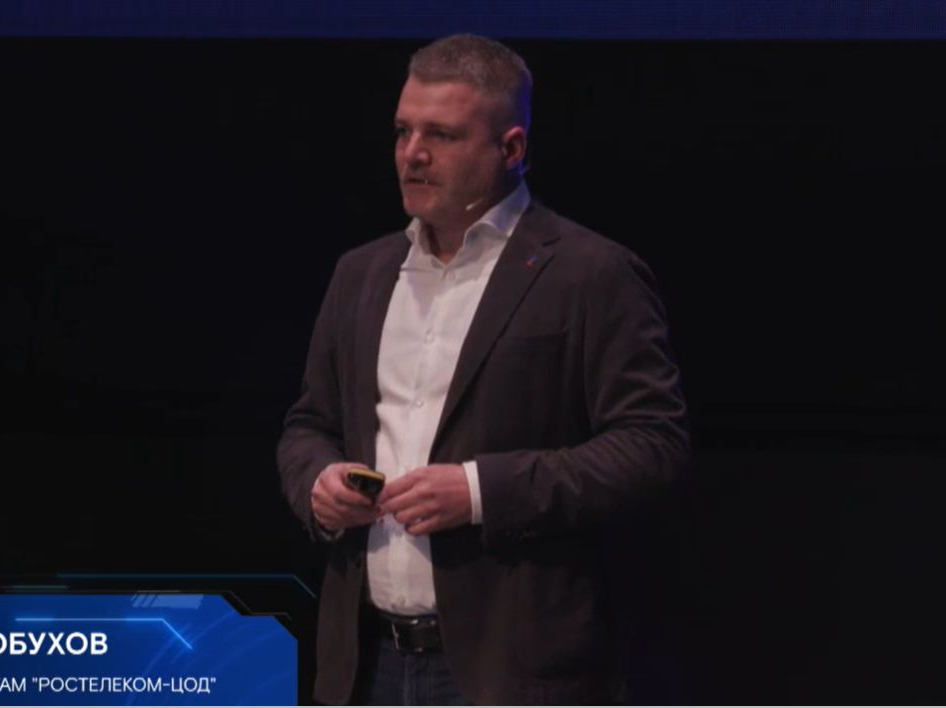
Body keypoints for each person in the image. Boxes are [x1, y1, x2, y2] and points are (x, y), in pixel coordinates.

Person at [277, 33, 690, 705]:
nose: (412, 153)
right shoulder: (361, 273)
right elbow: (308, 425)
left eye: (441, 135)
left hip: (507, 670)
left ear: (512, 149)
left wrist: (477, 492)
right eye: (403, 131)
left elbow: (652, 447)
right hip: (365, 664)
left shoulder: (591, 274)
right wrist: (318, 484)